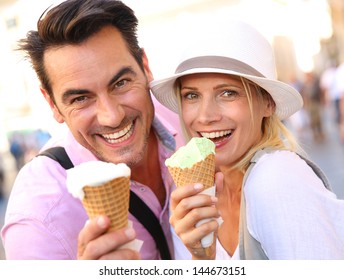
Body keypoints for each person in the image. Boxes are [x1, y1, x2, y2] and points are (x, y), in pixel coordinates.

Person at [1, 0, 184, 260]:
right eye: (80, 99)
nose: (112, 117)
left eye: (121, 83)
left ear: (145, 66)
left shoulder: (187, 115)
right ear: (52, 104)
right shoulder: (38, 219)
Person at [151, 20, 344, 259]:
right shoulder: (187, 199)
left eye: (228, 93)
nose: (205, 116)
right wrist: (202, 255)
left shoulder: (277, 178)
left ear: (267, 103)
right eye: (191, 95)